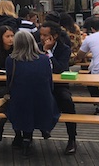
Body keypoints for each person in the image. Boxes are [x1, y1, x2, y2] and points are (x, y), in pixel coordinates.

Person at [5, 31, 60, 157]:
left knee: (19, 103)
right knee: (39, 101)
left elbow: (10, 84)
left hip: (20, 103)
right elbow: (49, 83)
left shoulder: (11, 60)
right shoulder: (44, 60)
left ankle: (23, 139)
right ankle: (42, 129)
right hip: (43, 103)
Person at [39, 21, 78, 154]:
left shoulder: (64, 49)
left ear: (54, 36)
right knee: (29, 98)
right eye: (41, 35)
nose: (42, 38)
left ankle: (72, 138)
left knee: (66, 101)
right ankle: (26, 137)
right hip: (41, 84)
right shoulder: (36, 47)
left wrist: (48, 52)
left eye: (45, 35)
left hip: (59, 85)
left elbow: (59, 69)